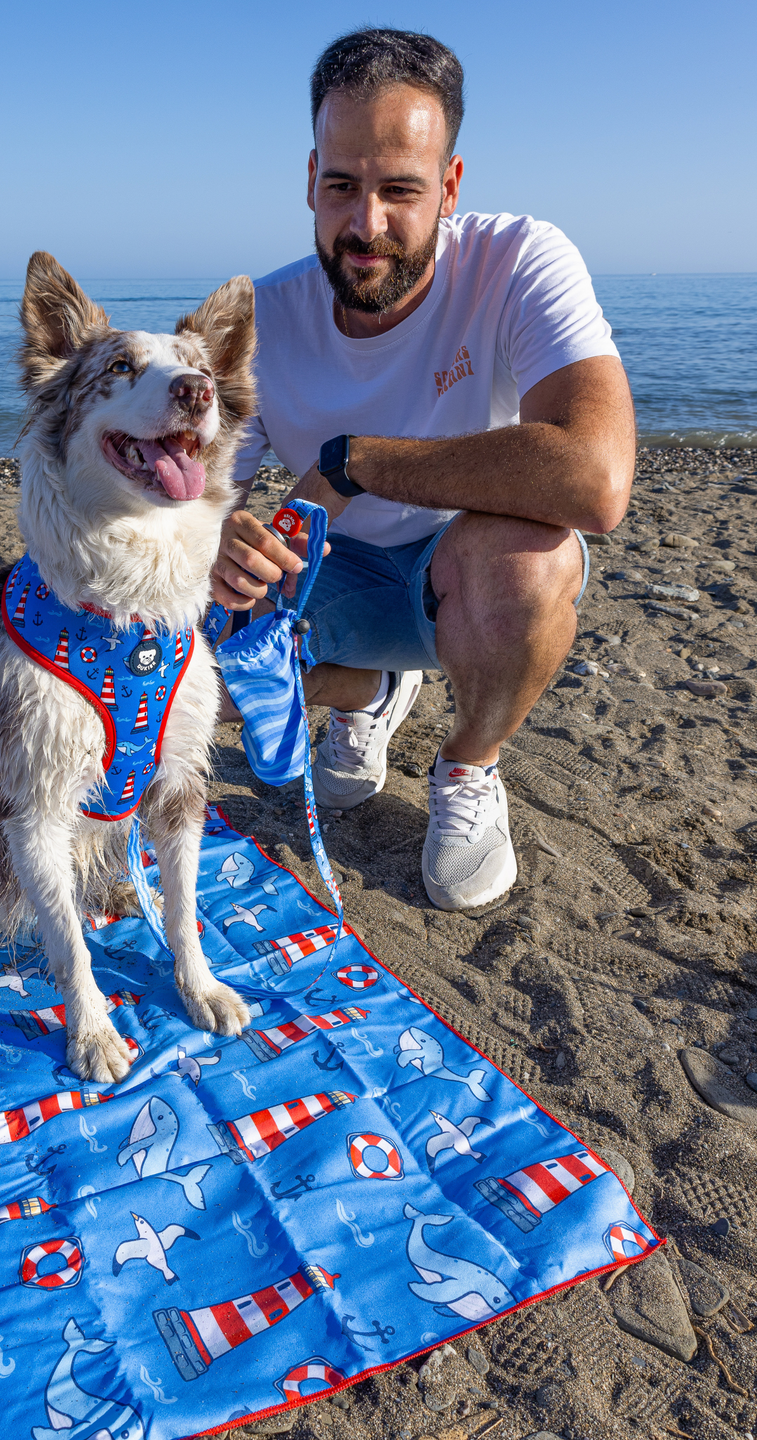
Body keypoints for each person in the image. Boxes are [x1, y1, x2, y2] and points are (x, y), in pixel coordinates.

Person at [210, 27, 635, 913]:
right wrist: (218, 540)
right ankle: (368, 690)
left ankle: (468, 764)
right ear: (311, 180)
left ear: (449, 186)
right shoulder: (263, 317)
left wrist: (358, 464)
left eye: (400, 190)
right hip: (329, 578)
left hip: (463, 578)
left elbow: (597, 479)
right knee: (182, 661)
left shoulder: (520, 260)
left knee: (530, 558)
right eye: (342, 187)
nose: (366, 224)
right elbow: (205, 499)